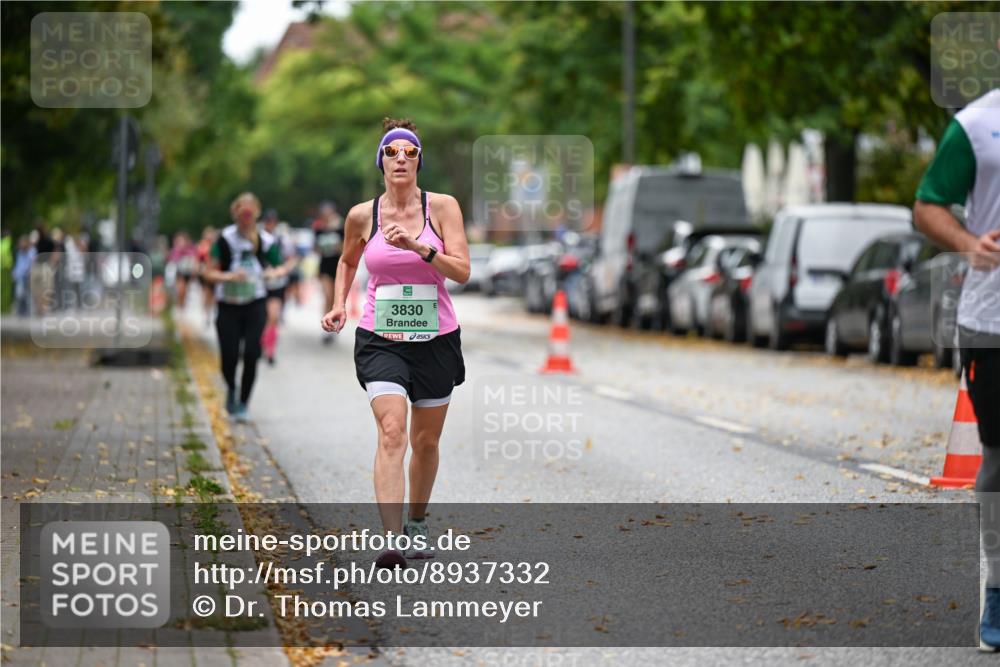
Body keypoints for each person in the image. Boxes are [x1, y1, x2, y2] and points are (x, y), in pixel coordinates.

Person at [322, 118, 471, 568]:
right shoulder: (361, 215)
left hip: (436, 338)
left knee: (426, 442)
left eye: (409, 152)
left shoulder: (442, 208)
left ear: (419, 160)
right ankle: (391, 539)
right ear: (381, 162)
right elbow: (347, 262)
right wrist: (338, 304)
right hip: (380, 339)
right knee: (392, 431)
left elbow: (462, 271)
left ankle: (418, 523)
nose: (401, 158)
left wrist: (419, 248)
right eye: (392, 152)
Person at [914, 85, 1000, 652]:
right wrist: (971, 244)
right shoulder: (975, 126)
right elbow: (927, 204)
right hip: (993, 321)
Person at [204, 193, 295, 423]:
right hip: (228, 305)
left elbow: (282, 267)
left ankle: (244, 403)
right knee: (229, 356)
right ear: (235, 213)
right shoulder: (224, 239)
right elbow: (208, 272)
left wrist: (273, 273)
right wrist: (228, 276)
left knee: (253, 353)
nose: (246, 218)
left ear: (256, 213)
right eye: (242, 213)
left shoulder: (264, 240)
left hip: (255, 303)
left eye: (250, 213)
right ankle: (231, 389)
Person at [260, 211, 298, 365]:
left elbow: (292, 259)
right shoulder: (257, 238)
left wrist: (281, 270)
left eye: (272, 221)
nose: (270, 224)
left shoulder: (282, 239)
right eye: (267, 221)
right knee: (261, 318)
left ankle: (270, 350)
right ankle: (260, 343)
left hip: (277, 284)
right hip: (259, 284)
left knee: (273, 317)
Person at [314, 201, 344, 345]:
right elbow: (316, 248)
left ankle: (333, 325)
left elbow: (345, 248)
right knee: (327, 296)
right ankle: (325, 326)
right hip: (325, 267)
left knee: (334, 299)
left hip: (337, 267)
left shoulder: (340, 228)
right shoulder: (319, 229)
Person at [168, 231, 198, 310]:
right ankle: (179, 307)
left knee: (185, 291)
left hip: (188, 272)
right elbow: (173, 260)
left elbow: (194, 259)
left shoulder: (191, 249)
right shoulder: (176, 250)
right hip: (179, 272)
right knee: (181, 290)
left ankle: (182, 307)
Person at [196, 226, 218, 327]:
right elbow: (198, 260)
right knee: (206, 293)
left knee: (214, 295)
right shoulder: (202, 246)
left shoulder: (216, 246)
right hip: (206, 273)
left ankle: (211, 313)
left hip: (215, 273)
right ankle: (206, 315)